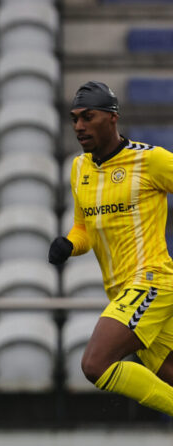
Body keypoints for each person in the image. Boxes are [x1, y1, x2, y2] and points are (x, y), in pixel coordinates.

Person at [49, 81, 173, 417]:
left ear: (112, 118)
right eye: (74, 119)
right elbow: (83, 229)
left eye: (88, 117)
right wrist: (68, 244)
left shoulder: (151, 161)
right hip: (121, 293)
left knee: (96, 364)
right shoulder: (79, 169)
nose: (79, 126)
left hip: (152, 282)